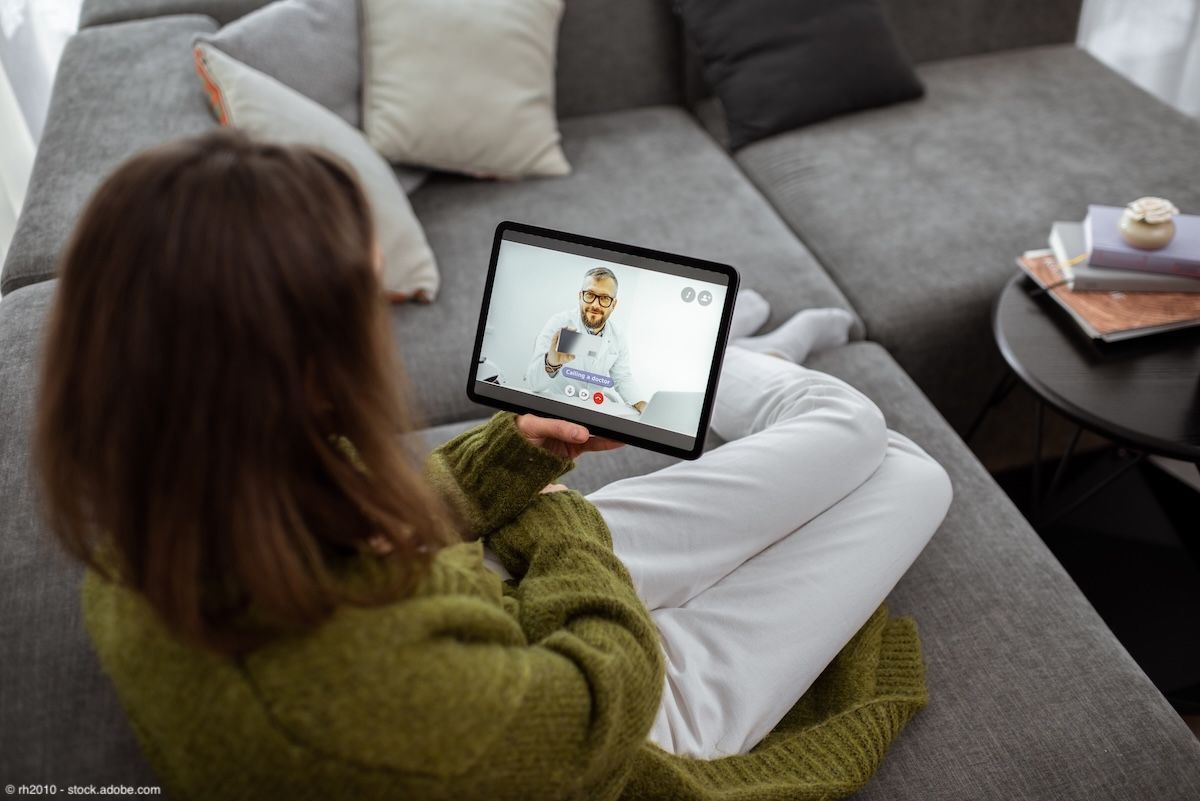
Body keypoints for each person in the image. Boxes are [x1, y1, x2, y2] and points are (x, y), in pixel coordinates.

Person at [34, 130, 952, 800]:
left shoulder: (157, 496)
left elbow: (362, 514)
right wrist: (555, 512)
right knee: (903, 464)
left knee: (858, 437)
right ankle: (718, 360)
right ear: (308, 369)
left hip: (499, 596)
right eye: (373, 306)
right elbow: (604, 697)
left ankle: (715, 360)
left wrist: (511, 453)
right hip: (632, 708)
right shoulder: (364, 711)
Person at [525, 267, 648, 412]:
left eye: (604, 298)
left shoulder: (618, 337)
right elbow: (533, 383)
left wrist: (643, 406)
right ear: (580, 296)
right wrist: (551, 363)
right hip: (556, 407)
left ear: (613, 305)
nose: (595, 305)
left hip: (592, 410)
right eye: (590, 295)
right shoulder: (559, 324)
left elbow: (622, 378)